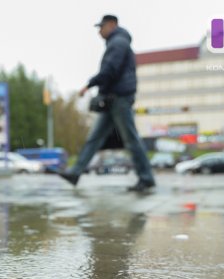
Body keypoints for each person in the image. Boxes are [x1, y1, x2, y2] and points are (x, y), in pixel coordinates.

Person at [58, 15, 156, 192]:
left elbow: (109, 70)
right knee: (94, 139)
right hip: (111, 99)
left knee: (130, 139)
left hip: (119, 98)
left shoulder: (118, 42)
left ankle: (146, 177)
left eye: (101, 27)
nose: (99, 31)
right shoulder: (118, 42)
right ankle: (75, 172)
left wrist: (89, 85)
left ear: (112, 24)